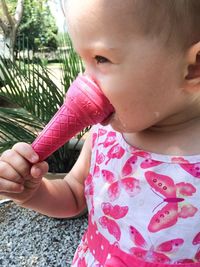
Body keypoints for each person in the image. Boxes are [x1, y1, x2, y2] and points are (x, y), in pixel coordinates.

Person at [1, 0, 200, 266]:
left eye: (101, 59)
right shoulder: (102, 137)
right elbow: (73, 194)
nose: (82, 83)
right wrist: (34, 194)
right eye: (83, 61)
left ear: (194, 67)